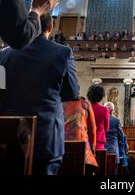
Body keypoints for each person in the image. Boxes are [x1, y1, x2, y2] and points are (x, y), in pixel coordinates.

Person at [0, 13, 79, 175]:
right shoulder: (63, 53)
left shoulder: (3, 54)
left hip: (8, 138)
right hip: (46, 138)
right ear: (50, 27)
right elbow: (72, 92)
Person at [63, 96, 98, 173]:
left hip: (60, 149)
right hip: (82, 151)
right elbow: (92, 130)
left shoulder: (57, 102)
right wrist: (93, 150)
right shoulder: (84, 103)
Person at [87, 84, 110, 150]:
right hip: (99, 141)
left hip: (86, 140)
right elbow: (106, 128)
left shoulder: (85, 108)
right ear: (101, 96)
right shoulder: (104, 109)